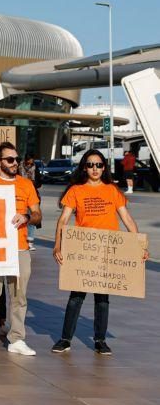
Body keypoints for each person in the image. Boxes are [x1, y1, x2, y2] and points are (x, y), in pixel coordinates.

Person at [52, 150, 145, 355]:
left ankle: (100, 340)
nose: (95, 169)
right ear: (84, 167)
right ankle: (65, 339)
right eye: (91, 165)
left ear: (104, 168)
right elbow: (63, 220)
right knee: (76, 297)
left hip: (108, 251)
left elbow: (126, 219)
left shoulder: (112, 190)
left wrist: (139, 245)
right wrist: (58, 245)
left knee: (102, 298)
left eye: (99, 165)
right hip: (84, 250)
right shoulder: (76, 190)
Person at [0, 141, 41, 356]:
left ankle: (16, 339)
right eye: (9, 159)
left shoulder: (26, 184)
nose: (15, 163)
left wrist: (26, 216)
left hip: (20, 247)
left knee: (19, 296)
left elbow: (37, 214)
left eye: (16, 159)